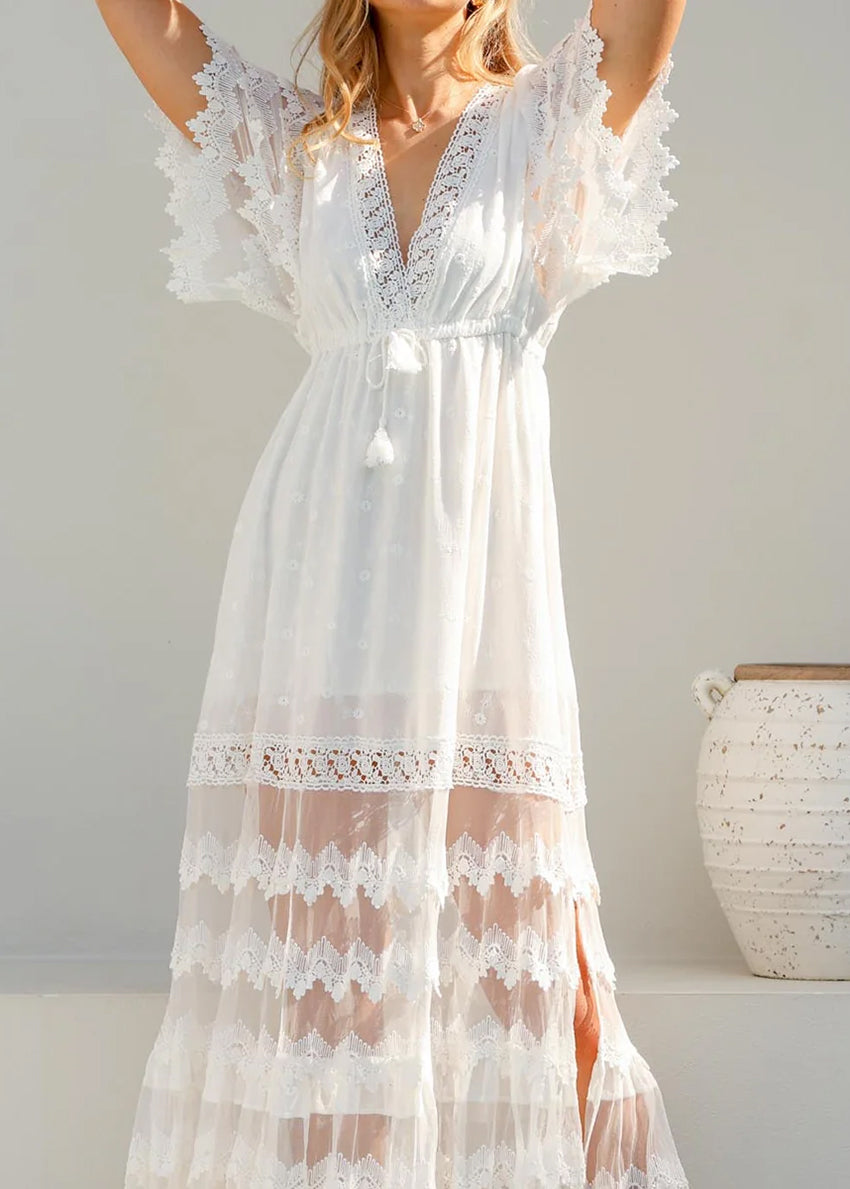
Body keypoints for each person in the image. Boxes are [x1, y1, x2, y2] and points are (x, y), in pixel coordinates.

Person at [96, 0, 690, 1185]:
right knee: (338, 995)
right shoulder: (293, 145)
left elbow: (639, 20)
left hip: (488, 612)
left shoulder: (552, 120)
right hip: (320, 600)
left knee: (556, 985)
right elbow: (144, 19)